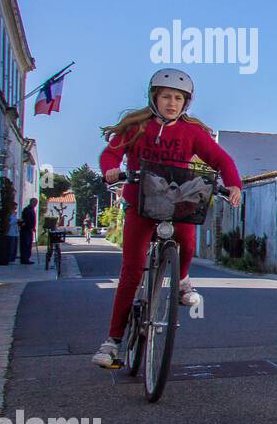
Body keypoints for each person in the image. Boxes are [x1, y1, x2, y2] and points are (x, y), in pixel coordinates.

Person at [91, 68, 243, 369]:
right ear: (154, 98)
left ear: (185, 103)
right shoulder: (137, 127)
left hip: (178, 204)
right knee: (132, 271)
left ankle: (182, 277)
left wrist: (234, 183)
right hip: (141, 205)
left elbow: (221, 159)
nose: (172, 103)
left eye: (178, 98)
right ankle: (113, 341)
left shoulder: (192, 132)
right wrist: (110, 170)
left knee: (187, 242)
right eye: (166, 97)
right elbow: (110, 154)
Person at [19, 198, 36, 264]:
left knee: (28, 245)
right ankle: (24, 259)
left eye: (36, 203)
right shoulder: (27, 210)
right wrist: (30, 227)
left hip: (30, 230)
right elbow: (26, 220)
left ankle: (26, 259)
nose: (35, 204)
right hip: (26, 230)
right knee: (25, 245)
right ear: (31, 202)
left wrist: (33, 227)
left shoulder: (31, 209)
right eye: (34, 202)